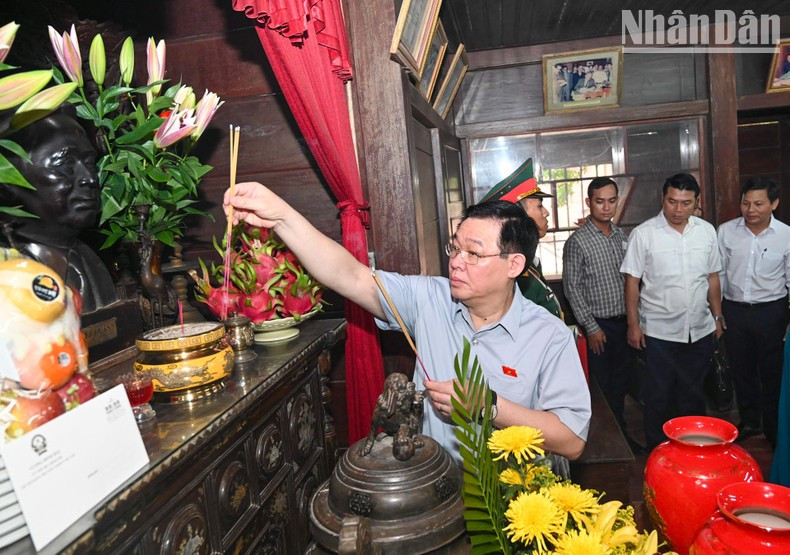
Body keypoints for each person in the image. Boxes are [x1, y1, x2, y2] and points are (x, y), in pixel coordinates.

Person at [224, 182, 591, 460]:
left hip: (509, 504)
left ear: (514, 265)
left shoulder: (548, 335)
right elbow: (349, 276)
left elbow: (572, 440)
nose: (457, 262)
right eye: (455, 248)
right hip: (431, 486)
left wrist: (490, 406)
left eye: (474, 254)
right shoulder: (429, 298)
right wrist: (282, 216)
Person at [621, 173, 724, 450]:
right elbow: (632, 281)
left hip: (700, 330)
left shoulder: (706, 231)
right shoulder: (644, 234)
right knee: (658, 398)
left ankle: (691, 451)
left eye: (686, 203)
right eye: (672, 202)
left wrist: (718, 316)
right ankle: (659, 454)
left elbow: (712, 277)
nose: (678, 210)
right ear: (662, 199)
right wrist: (633, 325)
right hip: (659, 333)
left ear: (696, 203)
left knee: (693, 396)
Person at [0, 105, 117, 312]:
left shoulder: (89, 259)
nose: (90, 178)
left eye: (89, 163)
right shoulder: (8, 275)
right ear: (9, 180)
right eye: (65, 164)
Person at [562, 177, 640, 451]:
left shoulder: (621, 236)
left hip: (625, 324)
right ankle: (607, 444)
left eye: (611, 201)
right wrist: (591, 327)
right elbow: (572, 289)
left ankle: (622, 438)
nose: (606, 207)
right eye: (599, 201)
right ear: (588, 202)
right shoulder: (578, 242)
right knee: (603, 390)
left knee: (622, 385)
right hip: (599, 328)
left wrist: (635, 321)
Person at [717, 178, 790, 447]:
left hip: (772, 312)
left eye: (759, 204)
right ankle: (749, 421)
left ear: (774, 204)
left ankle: (773, 428)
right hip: (735, 310)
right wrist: (718, 314)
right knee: (741, 370)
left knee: (772, 373)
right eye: (746, 203)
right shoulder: (726, 232)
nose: (751, 209)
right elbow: (719, 274)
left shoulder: (786, 235)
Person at [481, 158, 563, 319]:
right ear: (520, 217)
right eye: (539, 206)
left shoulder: (528, 263)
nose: (546, 212)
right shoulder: (511, 277)